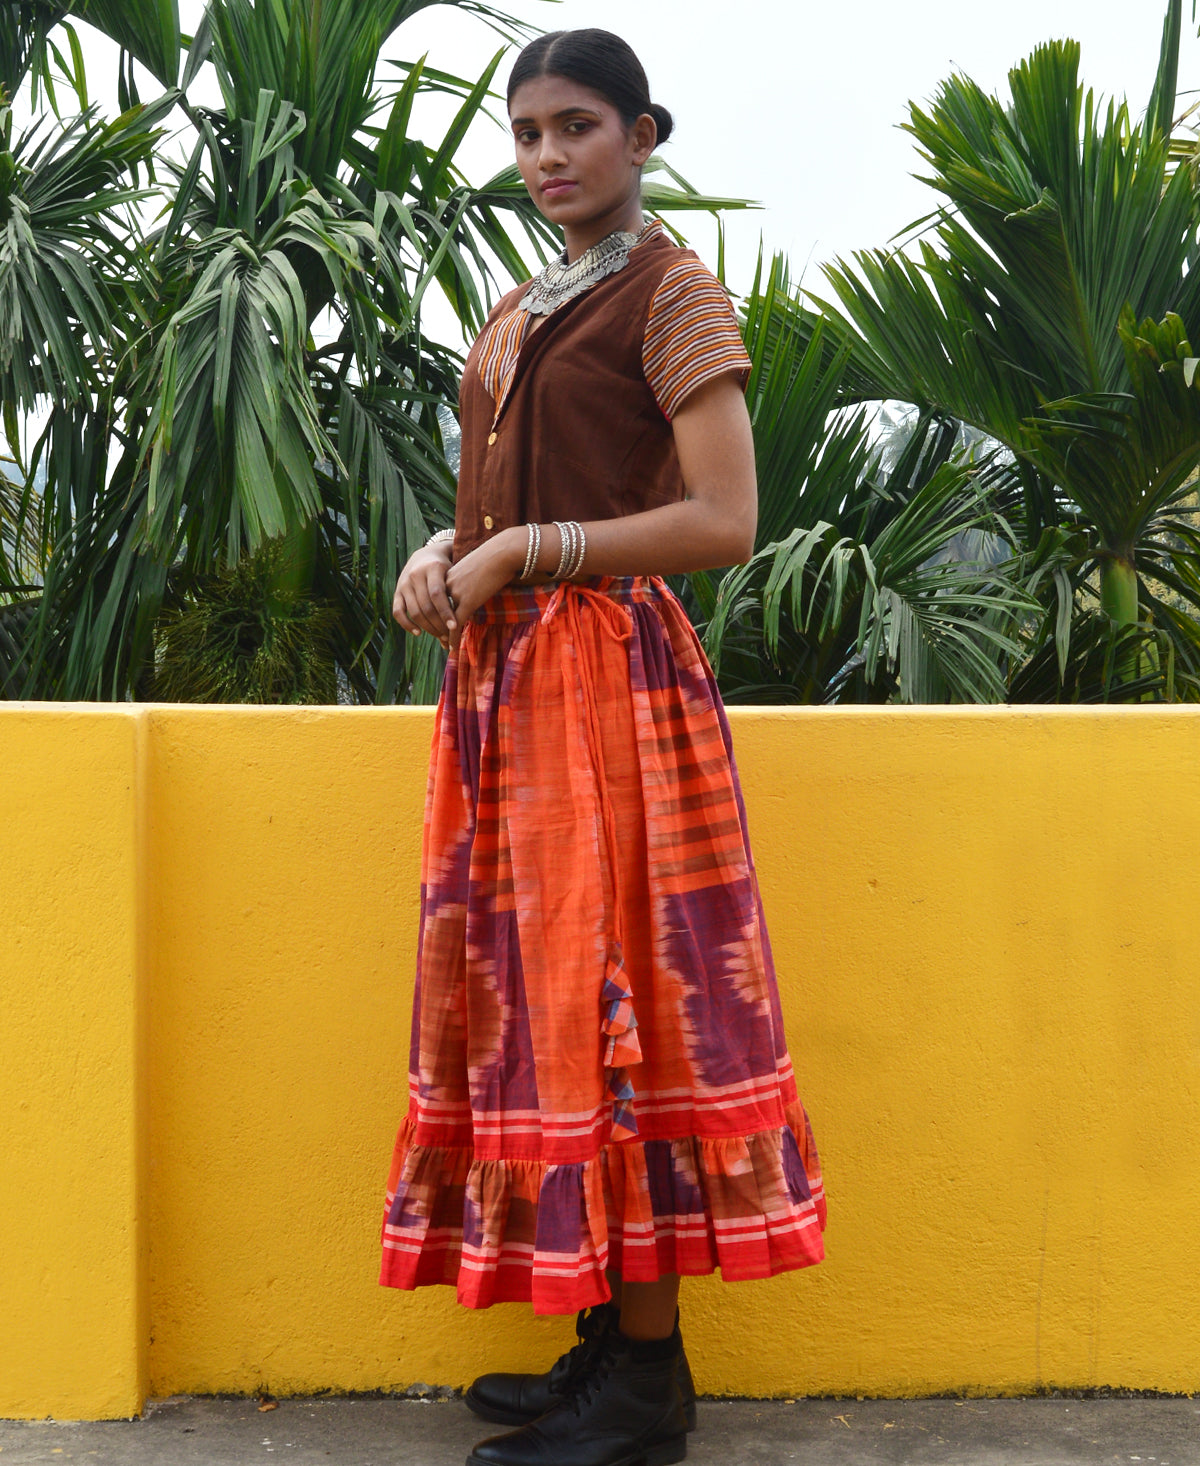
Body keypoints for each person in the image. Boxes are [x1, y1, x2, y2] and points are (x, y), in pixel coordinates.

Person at [381, 28, 826, 1466]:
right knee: (545, 1001)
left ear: (644, 135)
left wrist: (527, 552)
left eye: (577, 125)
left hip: (611, 687)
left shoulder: (672, 292)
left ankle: (642, 1383)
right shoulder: (525, 304)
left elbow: (725, 518)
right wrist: (446, 549)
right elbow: (511, 492)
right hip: (512, 691)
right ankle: (616, 1348)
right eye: (526, 133)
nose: (547, 155)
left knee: (613, 997)